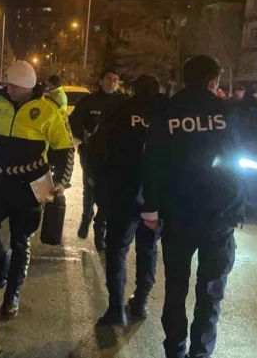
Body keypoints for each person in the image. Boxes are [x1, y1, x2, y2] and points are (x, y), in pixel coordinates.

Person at [141, 55, 257, 358]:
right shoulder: (229, 111)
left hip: (178, 214)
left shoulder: (166, 112)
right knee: (210, 292)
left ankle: (174, 350)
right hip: (220, 216)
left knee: (175, 288)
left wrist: (150, 209)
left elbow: (151, 161)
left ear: (184, 79)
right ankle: (200, 353)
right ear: (213, 81)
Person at [0, 60, 75, 320]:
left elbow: (65, 147)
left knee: (21, 239)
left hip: (31, 184)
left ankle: (12, 294)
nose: (8, 89)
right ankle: (2, 258)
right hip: (0, 179)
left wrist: (62, 181)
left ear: (28, 86)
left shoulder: (49, 109)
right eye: (7, 84)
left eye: (13, 86)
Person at [87, 74, 168, 326]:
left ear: (133, 90)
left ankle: (116, 308)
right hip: (155, 195)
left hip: (123, 191)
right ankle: (141, 301)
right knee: (148, 248)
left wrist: (96, 179)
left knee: (117, 249)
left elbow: (98, 147)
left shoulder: (121, 110)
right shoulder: (169, 113)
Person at [69, 69, 126, 250]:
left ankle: (100, 230)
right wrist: (85, 135)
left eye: (116, 80)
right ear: (101, 81)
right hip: (91, 154)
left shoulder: (123, 103)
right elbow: (74, 122)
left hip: (114, 156)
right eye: (109, 79)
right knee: (90, 187)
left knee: (108, 194)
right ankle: (87, 215)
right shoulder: (88, 102)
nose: (112, 83)